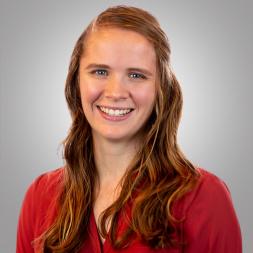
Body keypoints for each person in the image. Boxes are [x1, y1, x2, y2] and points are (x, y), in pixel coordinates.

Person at [16, 5, 242, 253]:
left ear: (161, 90)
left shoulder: (204, 198)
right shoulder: (40, 197)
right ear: (75, 81)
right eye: (100, 71)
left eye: (136, 75)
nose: (115, 93)